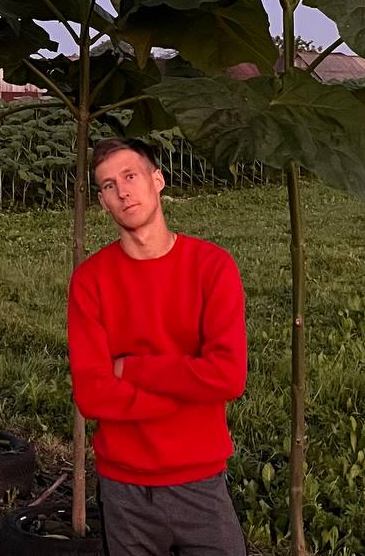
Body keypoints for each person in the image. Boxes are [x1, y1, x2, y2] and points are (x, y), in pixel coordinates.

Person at [67, 136, 248, 556]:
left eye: (130, 176)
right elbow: (92, 393)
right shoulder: (91, 281)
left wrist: (131, 369)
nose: (123, 191)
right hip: (125, 489)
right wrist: (188, 391)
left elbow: (227, 375)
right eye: (109, 185)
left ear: (158, 180)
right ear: (103, 202)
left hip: (200, 483)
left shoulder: (213, 267)